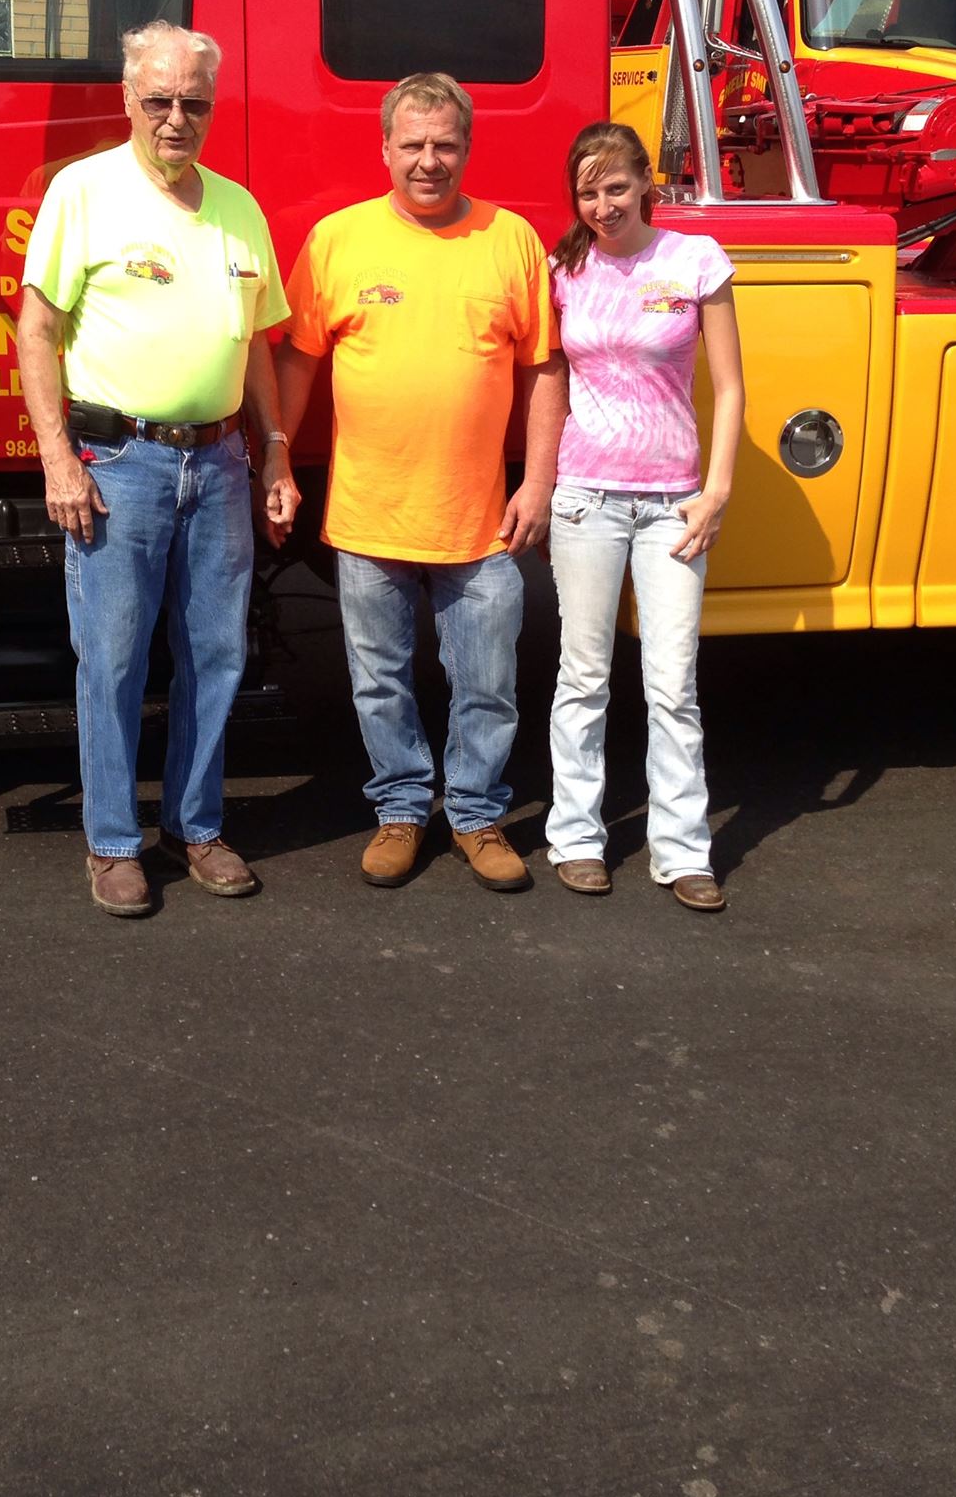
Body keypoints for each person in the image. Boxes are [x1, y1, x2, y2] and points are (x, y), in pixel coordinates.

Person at [17, 21, 299, 917]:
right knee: (112, 660)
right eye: (160, 100)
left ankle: (195, 826)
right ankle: (111, 843)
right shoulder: (83, 192)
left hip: (218, 461)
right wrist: (58, 456)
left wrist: (274, 451)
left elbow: (258, 340)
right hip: (118, 461)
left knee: (216, 653)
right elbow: (37, 330)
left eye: (195, 103)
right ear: (127, 100)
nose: (177, 118)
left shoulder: (240, 208)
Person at [276, 72, 565, 891]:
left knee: (489, 685)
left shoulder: (509, 239)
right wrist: (275, 455)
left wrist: (537, 479)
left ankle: (475, 816)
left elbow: (546, 367)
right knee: (379, 683)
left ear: (467, 149)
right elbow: (298, 356)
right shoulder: (339, 239)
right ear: (385, 149)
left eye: (445, 144)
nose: (429, 161)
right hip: (369, 517)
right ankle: (401, 809)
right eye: (413, 145)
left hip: (478, 524)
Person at [544, 120, 744, 912]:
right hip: (586, 495)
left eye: (616, 187)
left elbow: (729, 388)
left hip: (673, 505)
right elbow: (549, 379)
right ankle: (577, 838)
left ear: (645, 185)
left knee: (672, 683)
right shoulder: (565, 267)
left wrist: (717, 490)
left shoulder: (694, 260)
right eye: (588, 192)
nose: (603, 205)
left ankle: (684, 850)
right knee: (583, 676)